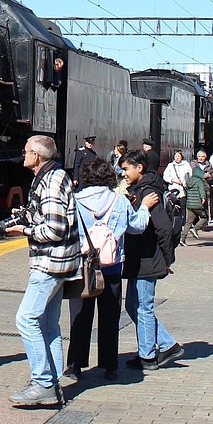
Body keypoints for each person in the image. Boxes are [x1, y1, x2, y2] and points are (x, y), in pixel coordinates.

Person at [4, 134, 81, 408]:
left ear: (37, 156)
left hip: (50, 262)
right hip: (59, 262)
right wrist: (27, 215)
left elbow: (55, 228)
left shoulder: (50, 181)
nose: (23, 154)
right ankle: (53, 383)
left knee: (26, 319)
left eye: (26, 151)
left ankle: (43, 383)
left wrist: (23, 230)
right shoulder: (51, 177)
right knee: (48, 324)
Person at [64, 158, 157, 382]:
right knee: (110, 316)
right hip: (112, 266)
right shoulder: (119, 200)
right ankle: (109, 366)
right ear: (109, 177)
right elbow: (137, 227)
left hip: (82, 267)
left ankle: (75, 365)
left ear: (85, 177)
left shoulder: (75, 201)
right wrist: (144, 207)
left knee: (79, 317)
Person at [119, 149, 183, 371]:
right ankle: (163, 345)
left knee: (143, 306)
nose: (123, 173)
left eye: (126, 168)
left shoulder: (149, 193)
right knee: (132, 305)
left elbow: (164, 228)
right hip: (139, 257)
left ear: (140, 168)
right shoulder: (140, 190)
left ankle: (149, 354)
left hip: (149, 257)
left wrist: (168, 259)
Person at [180, 161, 208, 244]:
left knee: (188, 222)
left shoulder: (189, 181)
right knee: (204, 218)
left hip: (189, 204)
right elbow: (202, 191)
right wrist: (203, 198)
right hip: (198, 204)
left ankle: (182, 239)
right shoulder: (199, 181)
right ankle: (195, 228)